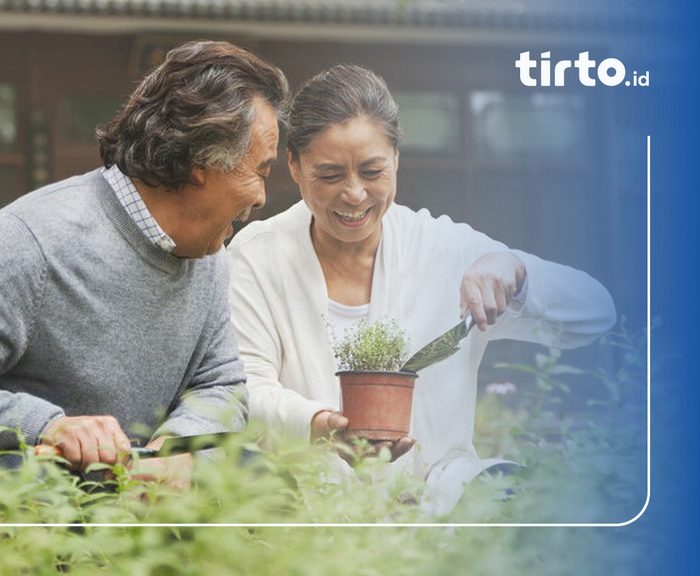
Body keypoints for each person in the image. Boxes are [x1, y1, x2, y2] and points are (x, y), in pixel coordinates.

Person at [0, 40, 289, 518]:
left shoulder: (208, 255)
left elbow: (221, 382)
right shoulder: (33, 238)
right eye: (260, 172)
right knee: (55, 489)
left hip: (107, 482)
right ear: (200, 163)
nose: (262, 197)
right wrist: (47, 426)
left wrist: (180, 449)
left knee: (258, 479)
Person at [226, 64, 616, 515]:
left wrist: (517, 270)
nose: (354, 194)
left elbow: (597, 312)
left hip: (438, 499)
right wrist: (319, 424)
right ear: (293, 165)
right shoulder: (258, 256)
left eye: (372, 171)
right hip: (305, 501)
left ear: (396, 158)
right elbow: (243, 389)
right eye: (330, 175)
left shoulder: (445, 250)